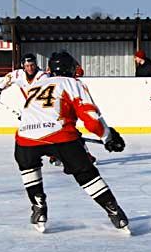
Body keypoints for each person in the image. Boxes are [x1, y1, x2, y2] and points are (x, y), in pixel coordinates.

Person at [13, 50, 129, 233]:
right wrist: (108, 137)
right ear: (72, 68)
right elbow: (91, 119)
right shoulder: (72, 83)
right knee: (86, 174)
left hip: (25, 138)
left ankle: (38, 208)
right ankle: (114, 211)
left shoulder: (37, 84)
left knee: (28, 166)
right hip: (61, 136)